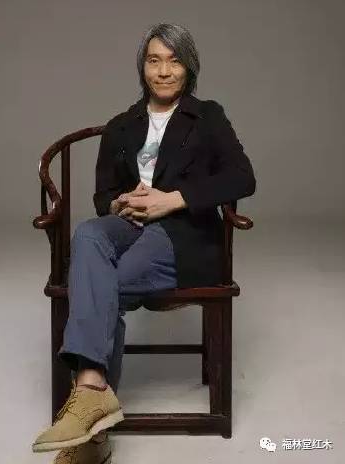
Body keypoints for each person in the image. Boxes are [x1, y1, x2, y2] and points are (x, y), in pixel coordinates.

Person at [32, 22, 256, 463]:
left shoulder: (207, 117)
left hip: (183, 235)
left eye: (174, 61)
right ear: (143, 67)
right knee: (88, 233)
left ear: (189, 68)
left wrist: (171, 199)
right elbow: (102, 197)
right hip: (129, 226)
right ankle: (94, 394)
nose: (164, 71)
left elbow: (242, 178)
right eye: (154, 60)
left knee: (102, 282)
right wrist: (119, 203)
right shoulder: (122, 125)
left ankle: (91, 430)